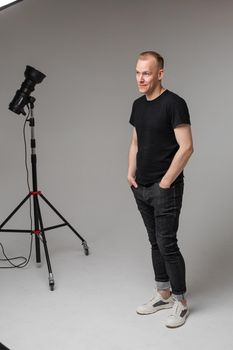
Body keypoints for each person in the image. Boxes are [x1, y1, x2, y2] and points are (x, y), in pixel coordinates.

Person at [128, 51, 194, 328]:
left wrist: (166, 181)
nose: (140, 78)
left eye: (146, 73)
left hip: (164, 187)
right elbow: (135, 142)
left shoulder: (174, 103)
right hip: (140, 186)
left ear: (160, 74)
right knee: (155, 241)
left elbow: (187, 146)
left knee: (167, 243)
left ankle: (180, 300)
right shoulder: (138, 104)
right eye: (137, 72)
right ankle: (163, 293)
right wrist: (130, 172)